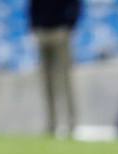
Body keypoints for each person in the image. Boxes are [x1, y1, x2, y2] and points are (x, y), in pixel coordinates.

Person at [29, 0, 82, 137]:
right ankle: (51, 124)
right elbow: (33, 5)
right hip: (43, 32)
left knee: (65, 81)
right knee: (46, 82)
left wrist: (69, 25)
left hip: (60, 31)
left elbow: (75, 4)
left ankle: (71, 123)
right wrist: (34, 26)